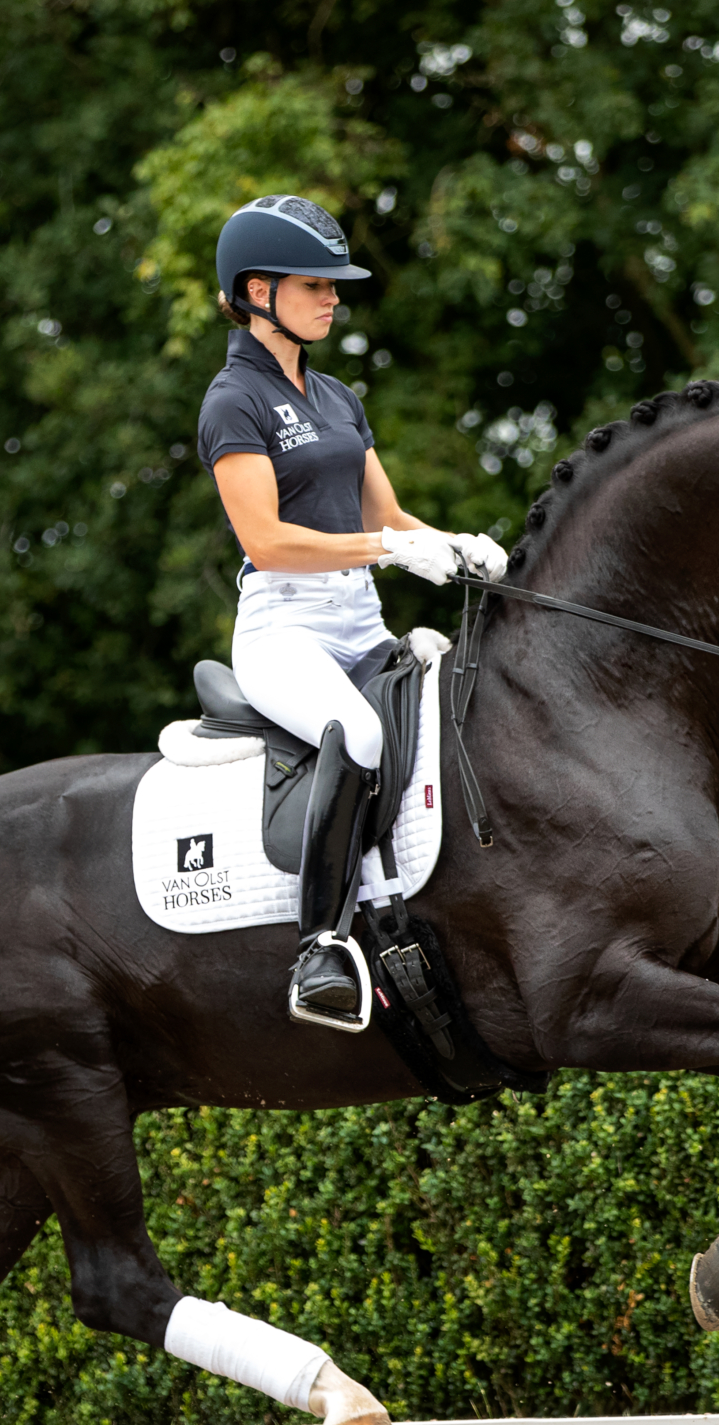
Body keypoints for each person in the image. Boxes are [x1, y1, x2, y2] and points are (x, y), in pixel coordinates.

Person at [197, 195, 504, 1026]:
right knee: (360, 734)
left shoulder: (336, 396)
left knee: (456, 698)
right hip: (284, 630)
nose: (334, 298)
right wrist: (389, 551)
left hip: (358, 622)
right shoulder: (235, 402)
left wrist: (455, 541)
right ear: (258, 291)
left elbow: (390, 518)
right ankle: (319, 947)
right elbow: (266, 540)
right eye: (315, 285)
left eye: (336, 286)